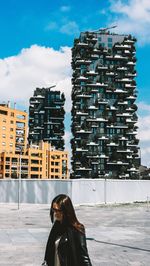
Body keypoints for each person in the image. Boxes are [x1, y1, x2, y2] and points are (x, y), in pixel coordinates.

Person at [42, 194, 92, 266]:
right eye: (54, 210)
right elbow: (49, 252)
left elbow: (84, 258)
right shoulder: (56, 226)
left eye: (58, 210)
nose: (55, 213)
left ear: (66, 210)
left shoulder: (77, 230)